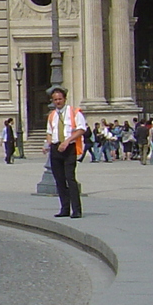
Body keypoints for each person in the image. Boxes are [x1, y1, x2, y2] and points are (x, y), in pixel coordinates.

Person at [45, 86, 86, 218]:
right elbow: (49, 132)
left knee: (70, 178)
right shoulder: (52, 115)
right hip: (56, 149)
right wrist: (48, 143)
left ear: (65, 99)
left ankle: (77, 210)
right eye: (55, 99)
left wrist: (67, 141)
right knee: (59, 180)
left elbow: (81, 129)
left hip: (69, 148)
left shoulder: (74, 112)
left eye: (60, 99)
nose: (58, 102)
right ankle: (64, 208)